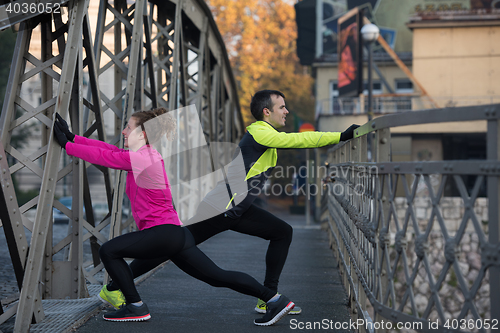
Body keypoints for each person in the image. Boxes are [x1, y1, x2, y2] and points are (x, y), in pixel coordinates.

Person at [108, 90, 360, 315]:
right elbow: (297, 140)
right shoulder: (259, 131)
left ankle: (268, 298)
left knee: (282, 232)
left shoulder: (267, 135)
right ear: (266, 112)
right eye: (282, 107)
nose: (287, 111)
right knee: (176, 247)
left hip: (236, 208)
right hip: (221, 207)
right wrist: (340, 136)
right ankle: (115, 286)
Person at [52, 109, 295, 325]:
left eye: (129, 127)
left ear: (143, 134)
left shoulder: (142, 158)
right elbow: (110, 150)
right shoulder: (144, 155)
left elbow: (107, 158)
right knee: (217, 276)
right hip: (174, 234)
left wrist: (67, 146)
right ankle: (274, 299)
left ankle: (135, 306)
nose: (124, 131)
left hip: (163, 233)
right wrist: (74, 138)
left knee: (108, 251)